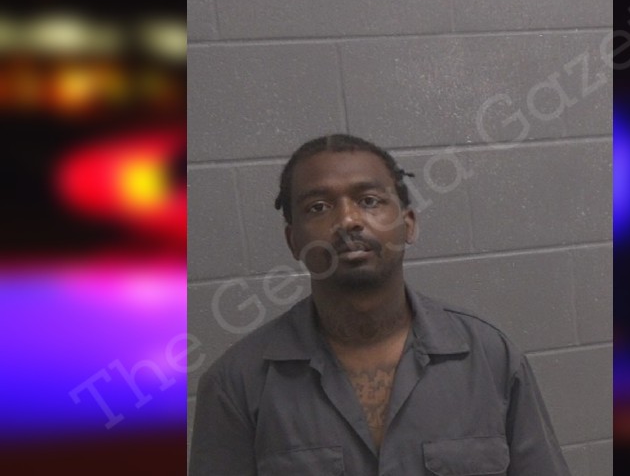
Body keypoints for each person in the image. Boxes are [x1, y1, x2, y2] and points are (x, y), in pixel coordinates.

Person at [189, 134, 572, 475]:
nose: (348, 220)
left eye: (369, 200)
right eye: (318, 207)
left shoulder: (491, 358)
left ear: (408, 224)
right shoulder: (236, 385)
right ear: (293, 241)